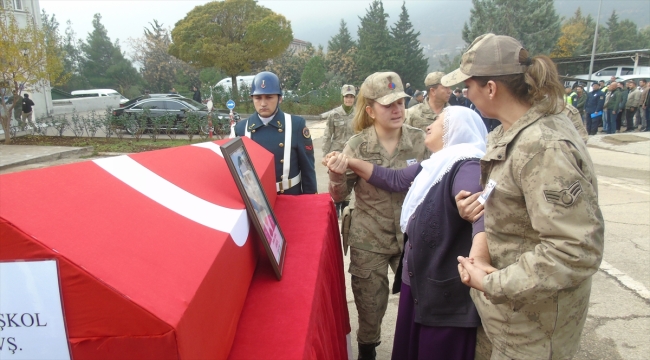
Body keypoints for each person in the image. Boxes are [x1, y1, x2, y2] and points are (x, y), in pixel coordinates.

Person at [444, 33, 604, 360]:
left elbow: (575, 249)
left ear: (490, 88)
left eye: (468, 86)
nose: (465, 94)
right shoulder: (511, 129)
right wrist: (480, 206)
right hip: (509, 318)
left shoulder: (542, 146)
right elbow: (517, 199)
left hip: (534, 328)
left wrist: (492, 283)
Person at [327, 106, 487, 360]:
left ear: (455, 131)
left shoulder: (467, 165)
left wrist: (479, 255)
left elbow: (479, 207)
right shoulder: (436, 164)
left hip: (441, 288)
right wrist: (349, 162)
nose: (429, 124)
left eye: (438, 121)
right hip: (423, 279)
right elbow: (394, 179)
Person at [327, 71, 429, 360]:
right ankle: (367, 351)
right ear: (370, 111)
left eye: (400, 102)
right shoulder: (357, 146)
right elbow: (338, 196)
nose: (397, 109)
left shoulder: (422, 141)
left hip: (412, 236)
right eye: (388, 104)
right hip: (368, 238)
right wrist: (336, 176)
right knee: (370, 308)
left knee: (421, 300)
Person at [233, 71, 316, 195]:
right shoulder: (240, 129)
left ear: (280, 98)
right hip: (257, 203)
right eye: (258, 98)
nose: (263, 103)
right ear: (252, 99)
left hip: (290, 198)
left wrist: (311, 202)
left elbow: (307, 170)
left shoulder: (296, 125)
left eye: (269, 97)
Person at [322, 84, 357, 216]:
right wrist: (325, 155)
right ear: (342, 98)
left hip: (351, 153)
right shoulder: (334, 114)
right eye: (346, 97)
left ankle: (345, 206)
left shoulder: (358, 114)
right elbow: (327, 135)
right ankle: (336, 206)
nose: (349, 99)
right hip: (335, 153)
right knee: (335, 181)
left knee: (348, 180)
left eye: (351, 97)